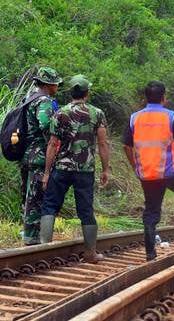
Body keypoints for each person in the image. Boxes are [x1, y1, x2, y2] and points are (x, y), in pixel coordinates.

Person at [121, 81, 174, 261]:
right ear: (163, 98)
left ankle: (150, 254)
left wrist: (135, 166)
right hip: (169, 171)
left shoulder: (135, 118)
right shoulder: (171, 117)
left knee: (151, 211)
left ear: (145, 98)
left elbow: (126, 146)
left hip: (147, 173)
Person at [39, 75, 110, 263]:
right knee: (85, 210)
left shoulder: (60, 113)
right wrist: (105, 170)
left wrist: (47, 172)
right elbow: (103, 144)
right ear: (87, 92)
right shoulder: (97, 113)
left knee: (50, 205)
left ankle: (44, 249)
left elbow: (53, 144)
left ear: (71, 92)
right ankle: (90, 253)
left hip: (62, 168)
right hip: (85, 170)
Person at [21, 67, 62, 245]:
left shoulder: (28, 98)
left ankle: (28, 233)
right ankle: (32, 239)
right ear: (48, 84)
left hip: (26, 154)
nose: (57, 87)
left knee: (29, 195)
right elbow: (46, 125)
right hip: (39, 156)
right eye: (55, 84)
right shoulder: (44, 101)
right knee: (37, 197)